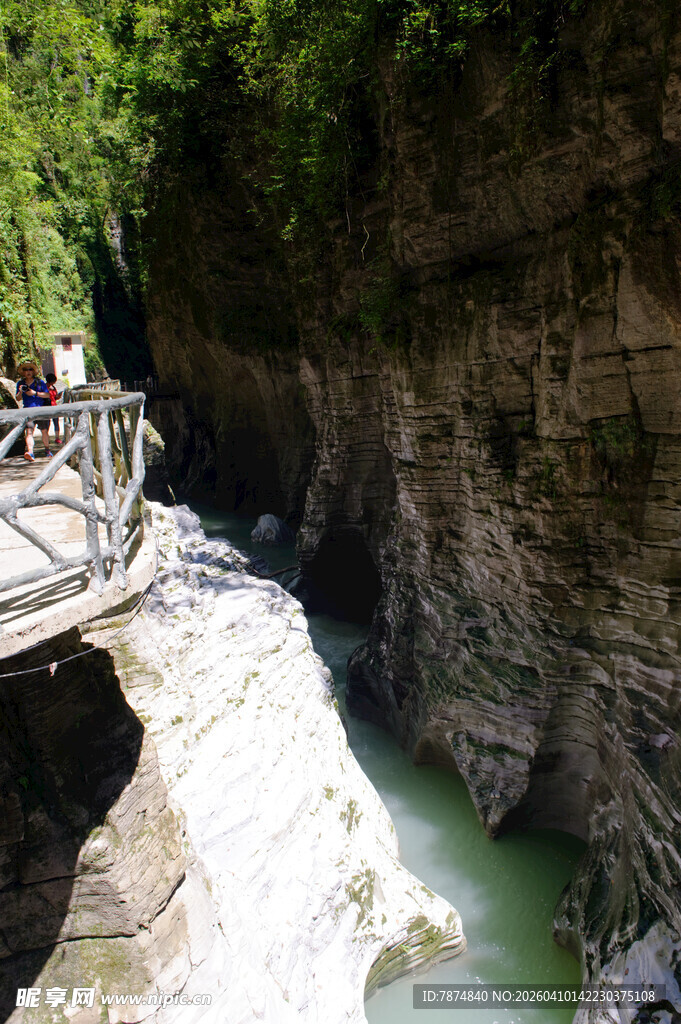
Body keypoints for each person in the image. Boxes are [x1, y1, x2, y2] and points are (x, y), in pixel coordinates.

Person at [15, 359, 52, 462]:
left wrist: (35, 393)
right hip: (28, 411)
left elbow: (47, 395)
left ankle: (47, 449)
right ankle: (30, 452)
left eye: (30, 369)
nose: (28, 371)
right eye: (25, 370)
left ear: (33, 371)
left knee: (44, 431)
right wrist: (21, 392)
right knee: (29, 432)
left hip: (40, 410)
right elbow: (18, 398)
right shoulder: (21, 383)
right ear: (23, 372)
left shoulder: (39, 382)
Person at [45, 373, 61, 444]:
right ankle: (46, 437)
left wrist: (58, 396)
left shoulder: (53, 387)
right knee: (47, 423)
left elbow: (55, 397)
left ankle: (57, 437)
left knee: (56, 422)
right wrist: (48, 389)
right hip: (47, 406)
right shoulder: (44, 387)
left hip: (54, 406)